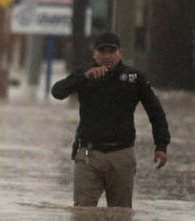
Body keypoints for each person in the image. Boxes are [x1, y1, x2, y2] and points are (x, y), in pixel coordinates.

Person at [51, 32, 170, 208]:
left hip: (122, 155)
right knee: (82, 213)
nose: (107, 56)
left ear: (119, 53)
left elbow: (156, 112)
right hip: (88, 155)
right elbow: (57, 92)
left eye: (111, 51)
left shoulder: (134, 78)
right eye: (102, 51)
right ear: (94, 53)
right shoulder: (84, 75)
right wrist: (84, 77)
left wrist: (161, 145)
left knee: (120, 213)